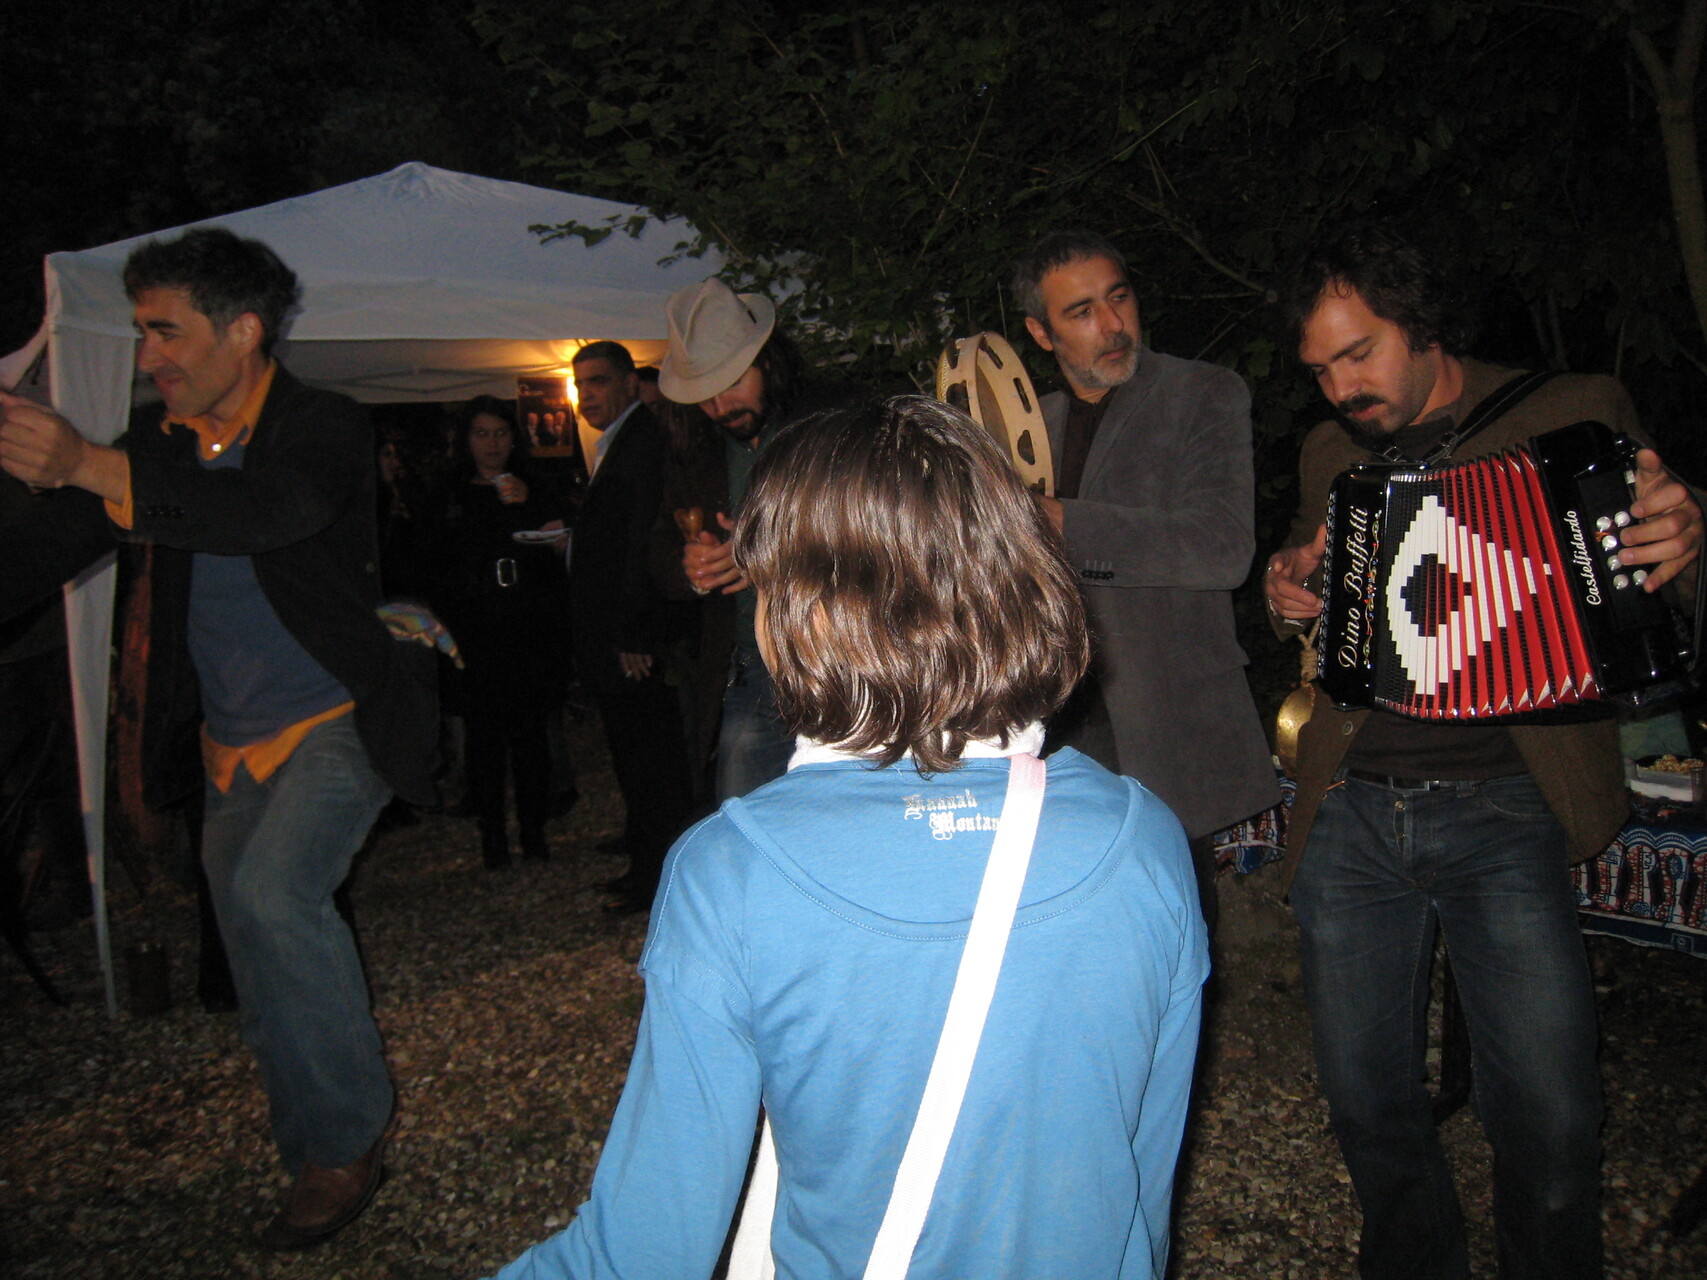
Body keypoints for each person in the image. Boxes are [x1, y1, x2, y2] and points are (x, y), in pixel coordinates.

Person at [486, 395, 1207, 1279]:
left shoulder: (732, 873)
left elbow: (640, 1252)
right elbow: (1141, 1190)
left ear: (810, 618)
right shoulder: (1143, 840)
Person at [1263, 221, 1702, 1280]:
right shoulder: (1330, 453)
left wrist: (1689, 540)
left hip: (1507, 806)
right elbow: (1320, 593)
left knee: (1551, 1118)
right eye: (1319, 369)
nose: (1340, 389)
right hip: (1353, 808)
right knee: (1367, 1104)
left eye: (1358, 353)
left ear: (1420, 323)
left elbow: (1666, 588)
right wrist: (1287, 591)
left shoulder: (1573, 412)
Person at [0, 227, 437, 1250]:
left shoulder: (320, 423)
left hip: (337, 714)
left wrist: (89, 461)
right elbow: (51, 544)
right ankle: (308, 1140)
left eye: (166, 331)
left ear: (242, 331)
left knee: (275, 895)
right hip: (230, 743)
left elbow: (270, 510)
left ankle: (346, 1142)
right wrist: (69, 473)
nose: (149, 355)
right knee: (249, 942)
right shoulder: (155, 441)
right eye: (142, 333)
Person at [1012, 230, 1278, 930]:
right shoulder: (1027, 429)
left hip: (1166, 723)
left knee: (1176, 934)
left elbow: (1222, 549)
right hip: (1055, 726)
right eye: (1081, 312)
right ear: (1040, 332)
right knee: (1083, 935)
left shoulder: (1202, 393)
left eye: (1118, 298)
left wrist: (1065, 523)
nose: (1111, 325)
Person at [652, 277, 845, 802]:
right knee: (741, 818)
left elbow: (880, 529)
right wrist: (691, 568)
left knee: (837, 815)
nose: (721, 405)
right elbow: (658, 551)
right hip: (750, 669)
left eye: (733, 381)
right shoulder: (696, 450)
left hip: (840, 659)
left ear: (768, 363)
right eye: (705, 394)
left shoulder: (830, 424)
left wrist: (770, 555)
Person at [566, 341, 694, 913]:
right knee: (634, 754)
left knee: (650, 761)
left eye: (596, 382)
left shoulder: (643, 441)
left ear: (626, 384)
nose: (585, 395)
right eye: (579, 385)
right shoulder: (619, 441)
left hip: (632, 635)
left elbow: (643, 541)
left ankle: (655, 879)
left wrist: (635, 634)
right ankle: (645, 862)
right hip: (617, 630)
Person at [435, 396, 571, 867]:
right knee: (484, 741)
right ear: (466, 440)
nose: (492, 444)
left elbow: (558, 545)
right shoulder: (450, 492)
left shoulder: (534, 485)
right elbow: (435, 560)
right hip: (475, 630)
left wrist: (530, 508)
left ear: (514, 438)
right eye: (482, 434)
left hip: (526, 626)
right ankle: (491, 836)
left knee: (531, 735)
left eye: (500, 433)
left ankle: (534, 832)